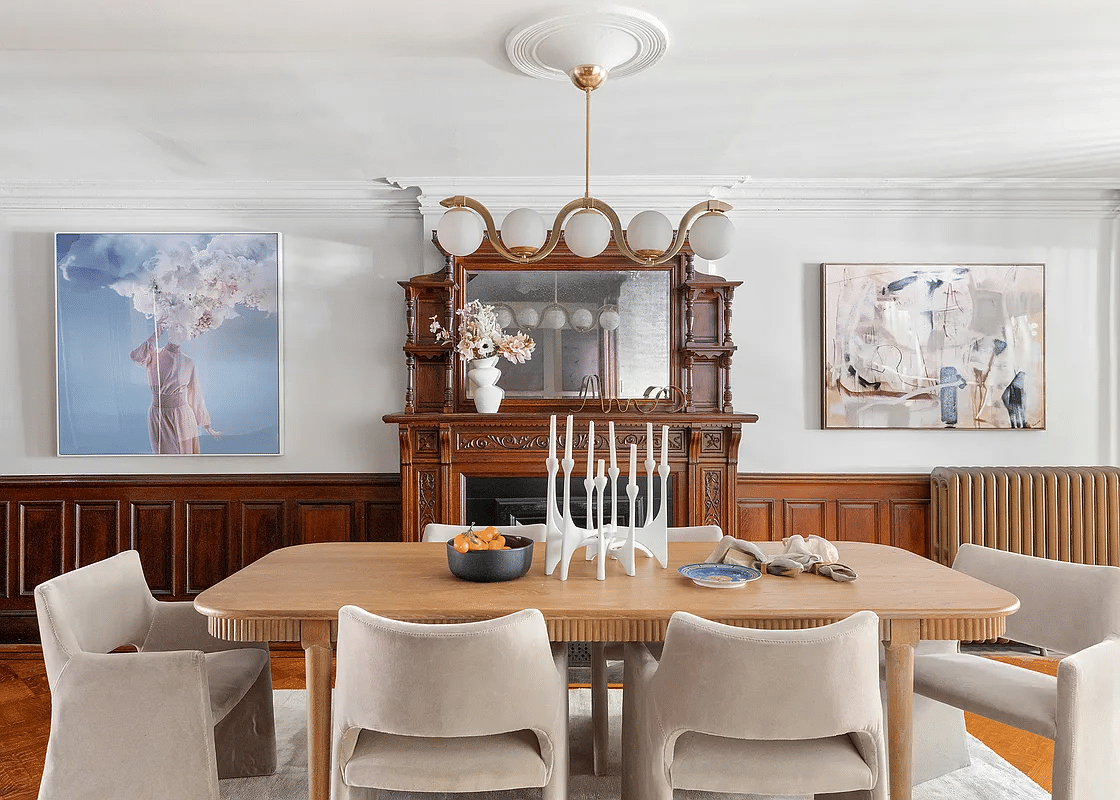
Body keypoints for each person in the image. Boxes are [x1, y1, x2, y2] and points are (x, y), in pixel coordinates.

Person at [129, 322, 221, 454]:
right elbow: (135, 356)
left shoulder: (188, 362)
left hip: (183, 416)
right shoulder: (153, 355)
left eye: (182, 329)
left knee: (186, 458)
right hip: (158, 415)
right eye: (175, 328)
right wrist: (155, 335)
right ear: (169, 329)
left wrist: (206, 424)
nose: (178, 333)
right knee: (165, 460)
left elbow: (195, 394)